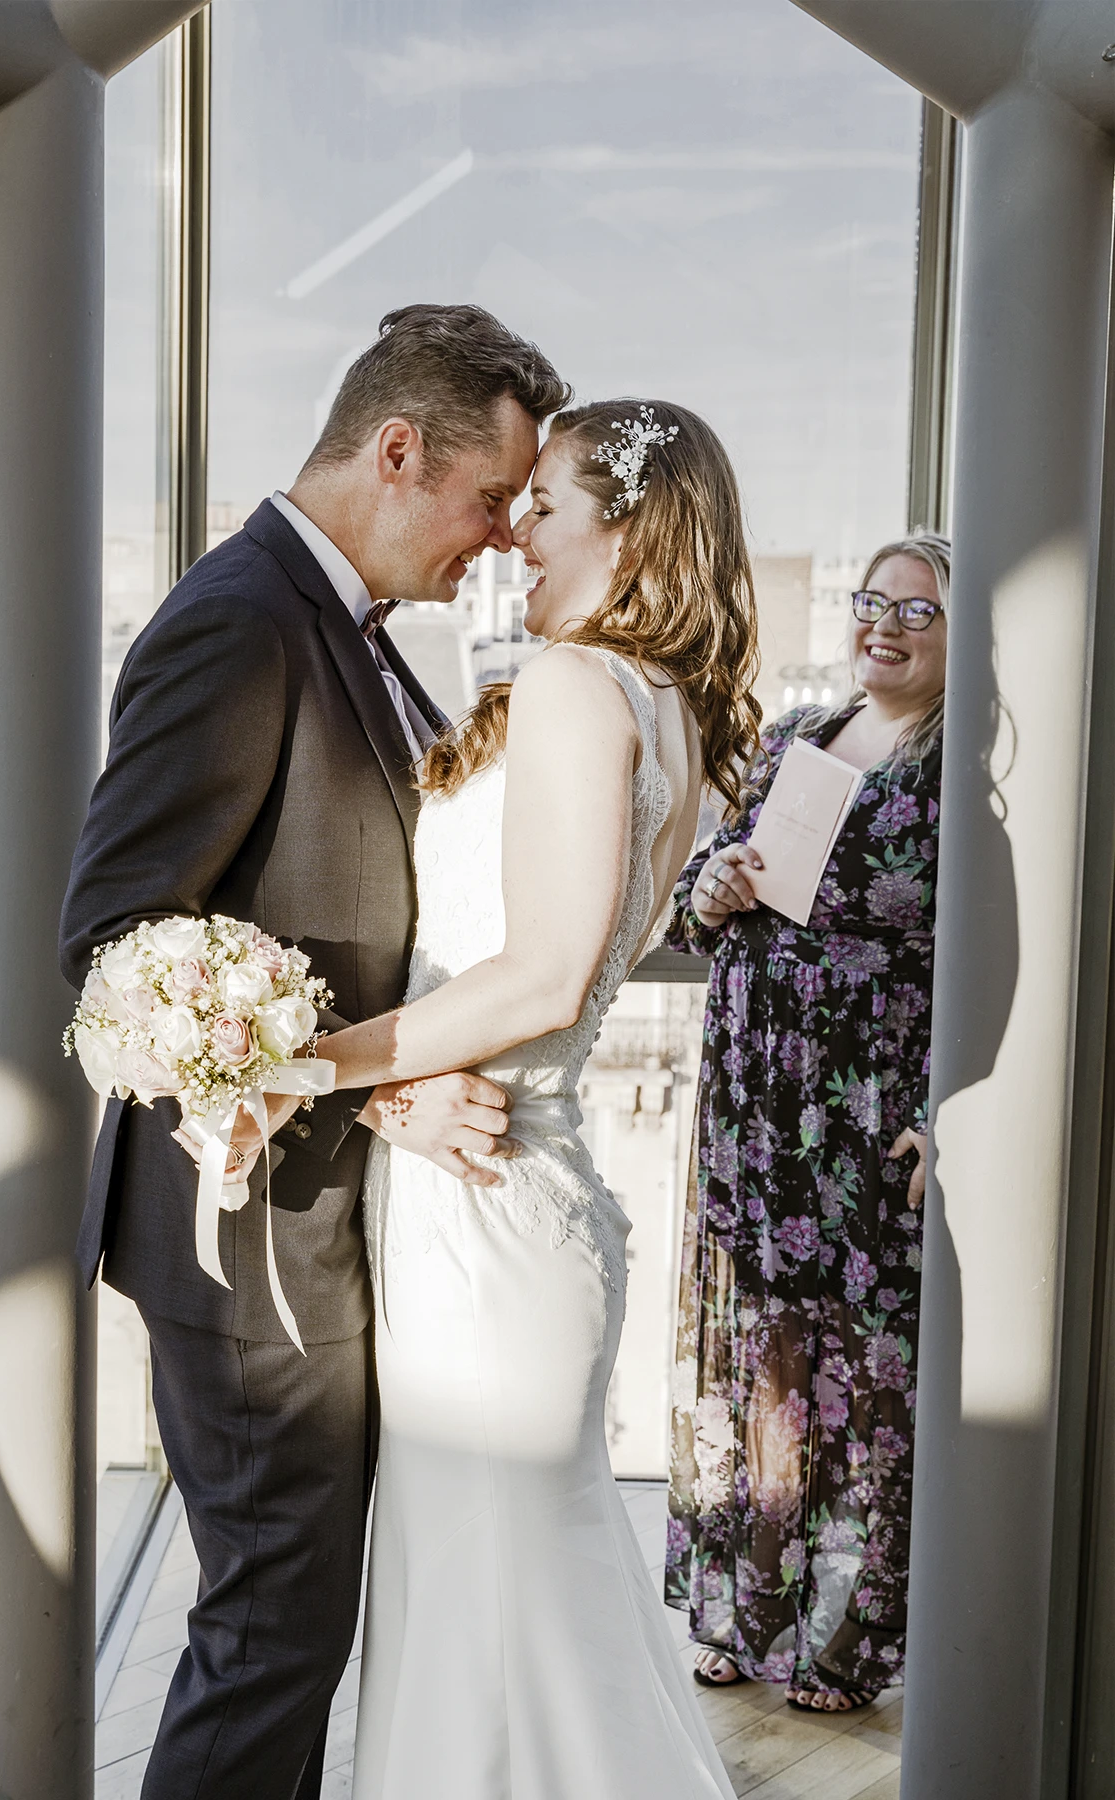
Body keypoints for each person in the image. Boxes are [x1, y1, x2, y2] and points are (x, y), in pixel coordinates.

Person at [58, 303, 570, 1800]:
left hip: (318, 1224)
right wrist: (369, 1077)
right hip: (244, 1243)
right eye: (489, 499)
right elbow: (116, 945)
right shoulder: (238, 617)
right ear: (399, 450)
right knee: (274, 1627)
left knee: (292, 1620)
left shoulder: (353, 632)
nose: (493, 538)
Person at [275, 398, 761, 1798]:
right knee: (511, 1617)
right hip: (512, 1199)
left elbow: (545, 975)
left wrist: (318, 1065)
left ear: (629, 526)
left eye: (545, 502)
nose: (518, 532)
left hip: (484, 1218)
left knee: (493, 1629)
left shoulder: (573, 686)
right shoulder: (659, 703)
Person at [664, 532, 950, 1715]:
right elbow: (696, 898)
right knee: (758, 1366)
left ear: (962, 632)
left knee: (857, 1379)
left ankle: (839, 1641)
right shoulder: (793, 742)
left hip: (863, 1112)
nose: (880, 624)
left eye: (915, 612)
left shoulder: (965, 773)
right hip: (752, 1100)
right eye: (870, 601)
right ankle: (742, 1610)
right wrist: (715, 882)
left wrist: (939, 1110)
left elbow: (990, 960)